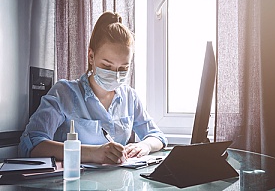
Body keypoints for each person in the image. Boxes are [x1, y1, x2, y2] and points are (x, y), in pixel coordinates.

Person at [18, 11, 168, 164]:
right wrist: (92, 153)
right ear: (91, 56)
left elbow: (158, 136)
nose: (115, 75)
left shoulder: (130, 97)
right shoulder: (64, 93)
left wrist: (144, 146)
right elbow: (31, 144)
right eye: (107, 66)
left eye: (123, 68)